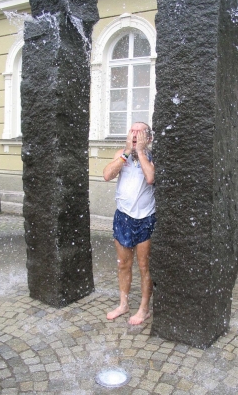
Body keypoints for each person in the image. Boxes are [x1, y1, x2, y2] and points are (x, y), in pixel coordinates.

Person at [103, 122, 156, 325]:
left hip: (146, 218)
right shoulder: (122, 155)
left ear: (148, 138)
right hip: (123, 217)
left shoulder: (152, 157)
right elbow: (107, 175)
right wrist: (126, 152)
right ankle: (123, 304)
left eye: (139, 133)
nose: (134, 137)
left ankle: (144, 308)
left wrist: (140, 151)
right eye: (132, 133)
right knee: (123, 264)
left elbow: (151, 178)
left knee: (144, 265)